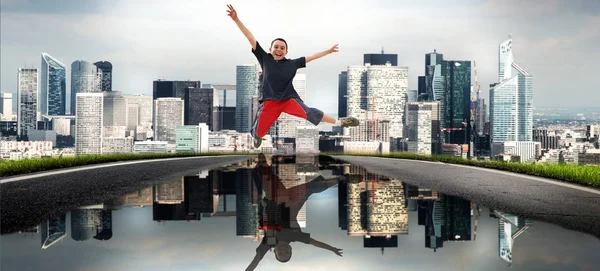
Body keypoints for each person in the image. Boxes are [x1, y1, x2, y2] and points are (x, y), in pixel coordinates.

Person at [227, 4, 360, 148]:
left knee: (309, 112)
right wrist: (236, 20)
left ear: (286, 51)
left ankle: (340, 122)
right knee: (259, 131)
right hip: (270, 102)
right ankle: (257, 137)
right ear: (270, 49)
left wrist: (327, 51)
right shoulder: (264, 58)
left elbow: (312, 56)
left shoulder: (292, 63)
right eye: (276, 47)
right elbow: (250, 37)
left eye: (282, 48)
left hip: (288, 99)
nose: (279, 49)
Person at [244, 154, 349, 270]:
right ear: (290, 249)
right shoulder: (294, 236)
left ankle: (262, 164)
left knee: (268, 179)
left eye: (281, 253)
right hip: (293, 200)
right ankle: (342, 179)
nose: (283, 250)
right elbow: (315, 243)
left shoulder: (268, 242)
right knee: (311, 188)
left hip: (276, 198)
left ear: (275, 252)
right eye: (286, 252)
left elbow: (255, 262)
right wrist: (332, 249)